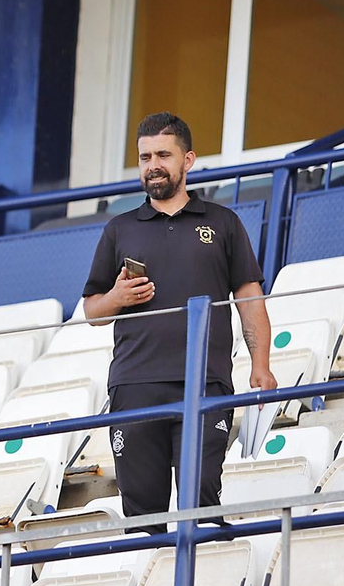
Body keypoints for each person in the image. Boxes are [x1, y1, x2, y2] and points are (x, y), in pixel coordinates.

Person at [81, 112, 275, 528]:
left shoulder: (223, 223)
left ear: (187, 160)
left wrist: (261, 365)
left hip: (204, 382)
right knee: (142, 516)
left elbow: (249, 297)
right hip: (134, 385)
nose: (153, 164)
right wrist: (116, 297)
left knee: (201, 504)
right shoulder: (120, 228)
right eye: (145, 156)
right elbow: (92, 311)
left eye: (163, 155)